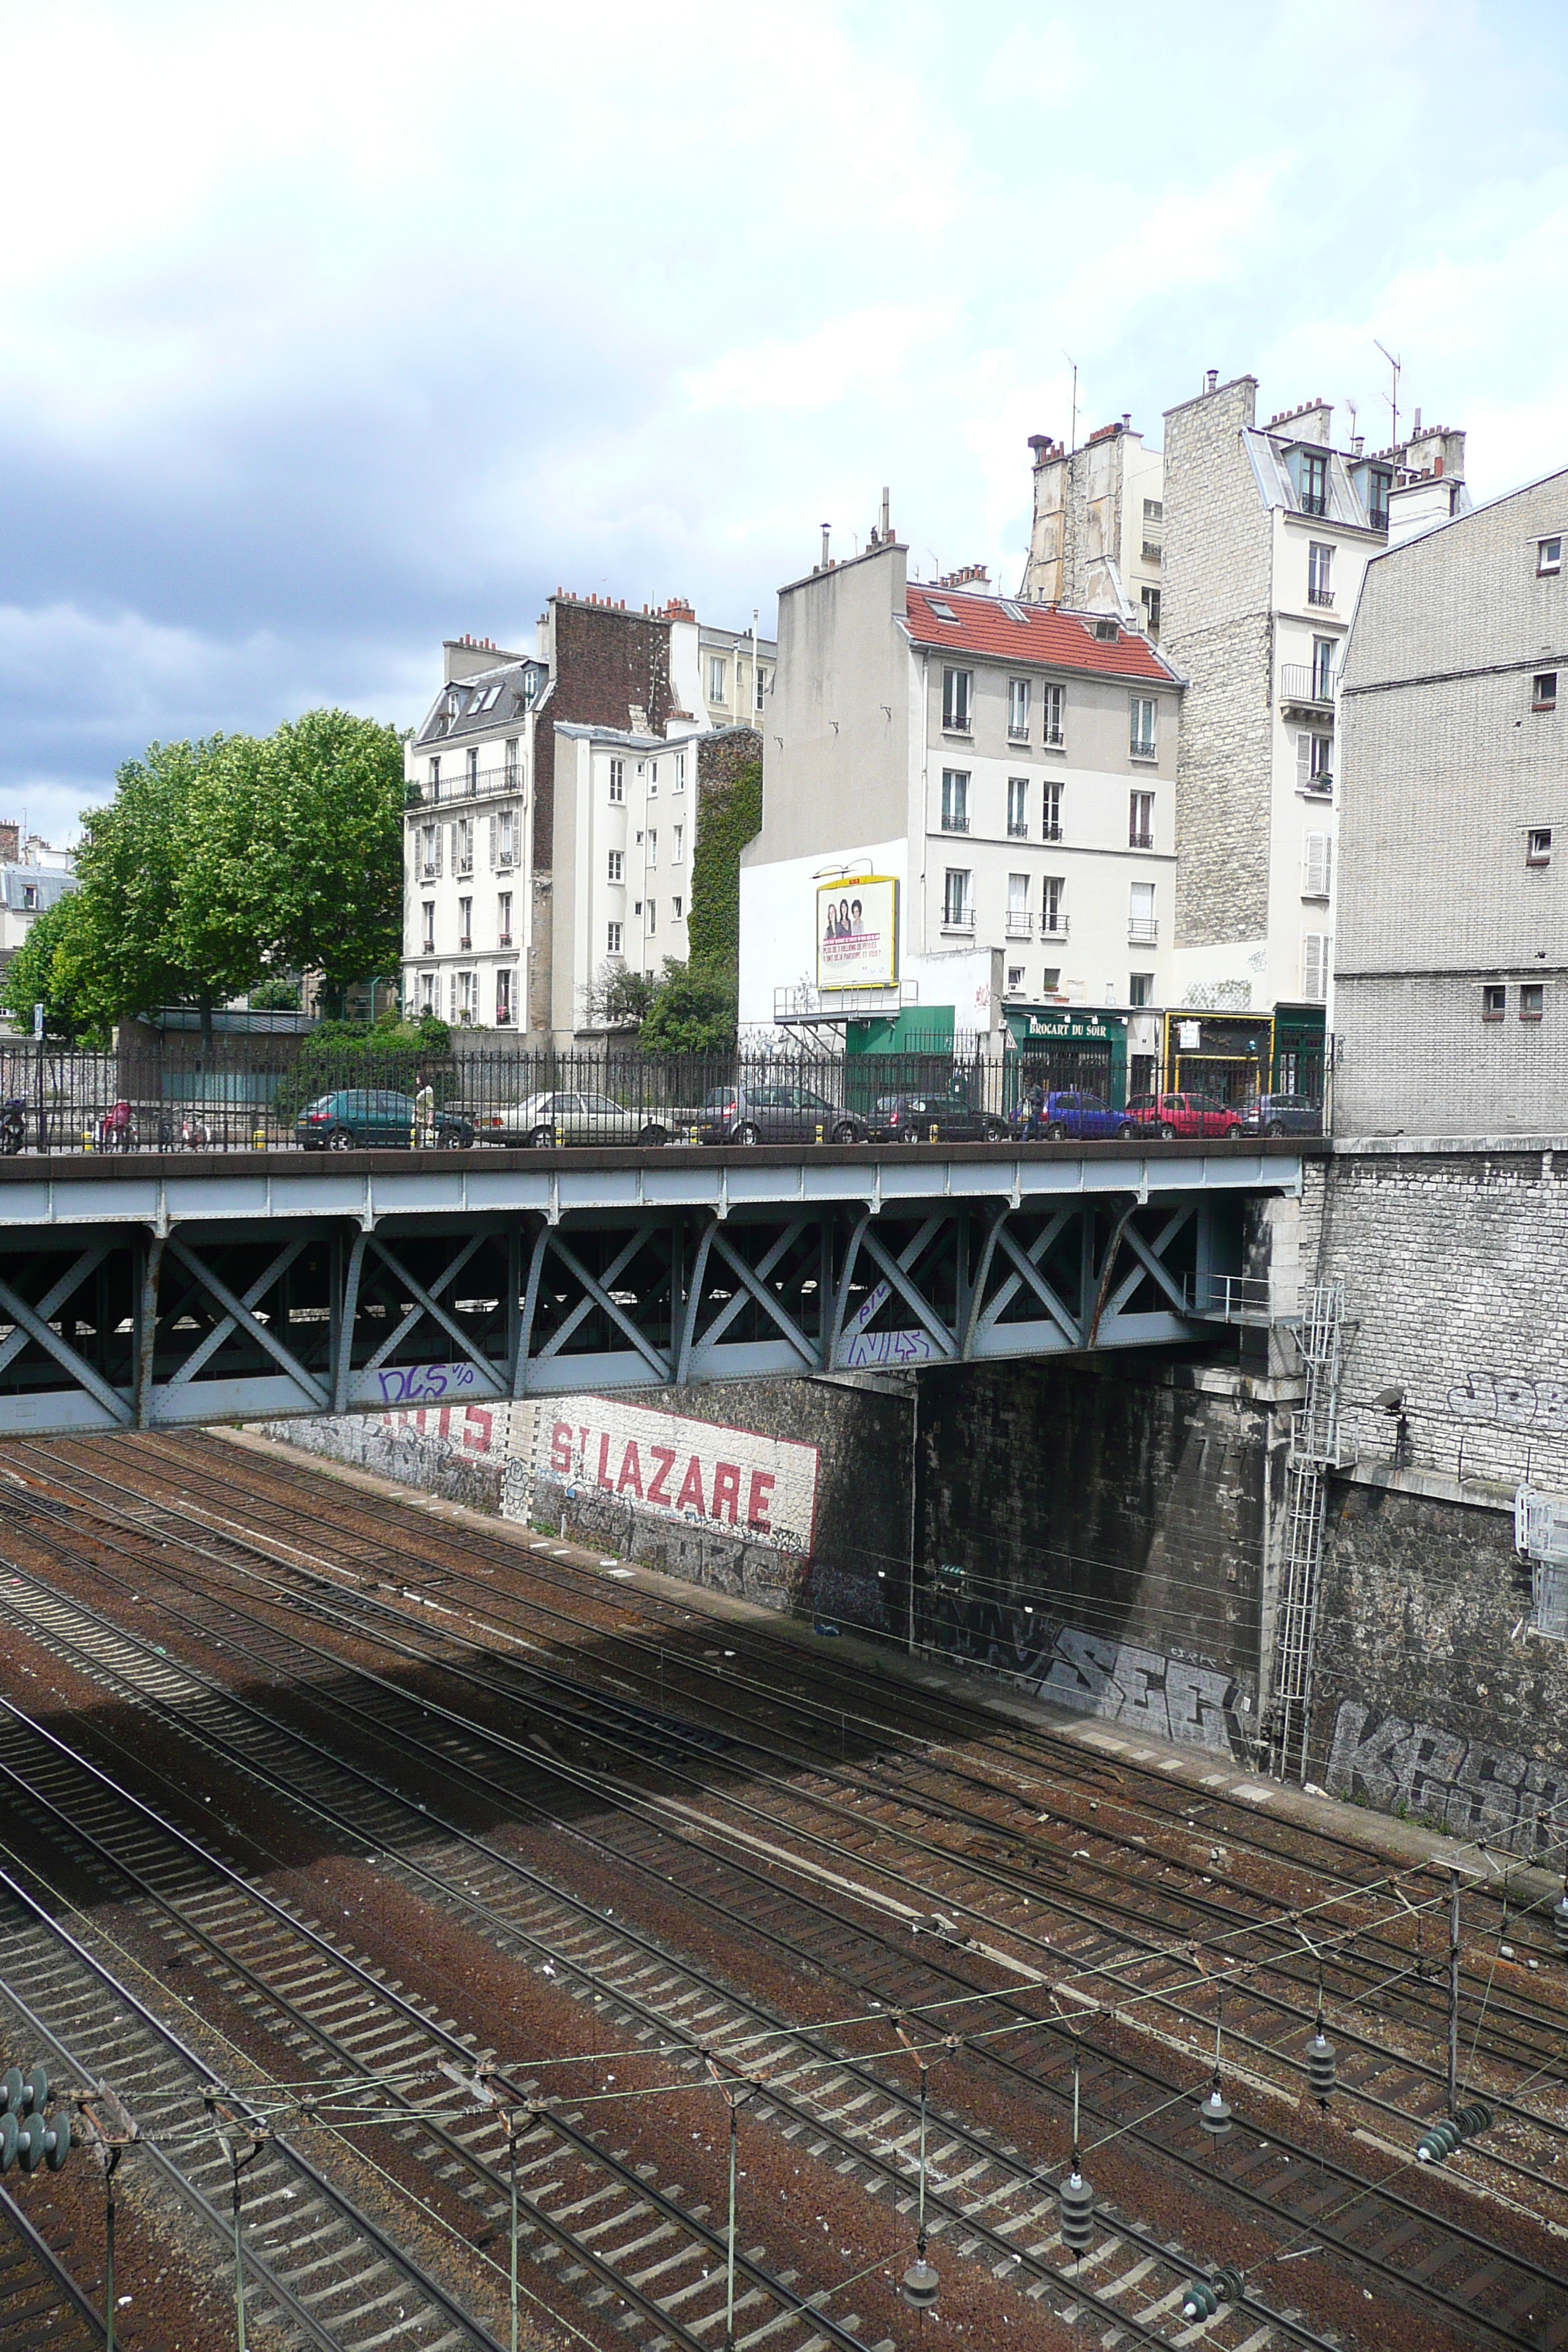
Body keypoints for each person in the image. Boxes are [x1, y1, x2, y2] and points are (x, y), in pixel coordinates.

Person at [414, 1072, 436, 1147]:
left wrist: (430, 1119)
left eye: (418, 1078)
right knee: (418, 1138)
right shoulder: (421, 1090)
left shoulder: (428, 1090)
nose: (416, 1079)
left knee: (424, 1139)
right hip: (419, 1117)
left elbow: (431, 1105)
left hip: (425, 1119)